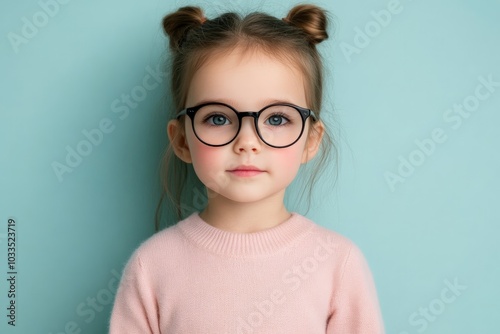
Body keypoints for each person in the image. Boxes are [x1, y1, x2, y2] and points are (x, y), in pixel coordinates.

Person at [109, 4, 384, 333]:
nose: (247, 142)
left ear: (310, 140)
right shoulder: (151, 266)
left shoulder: (338, 264)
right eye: (218, 118)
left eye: (277, 118)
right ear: (182, 140)